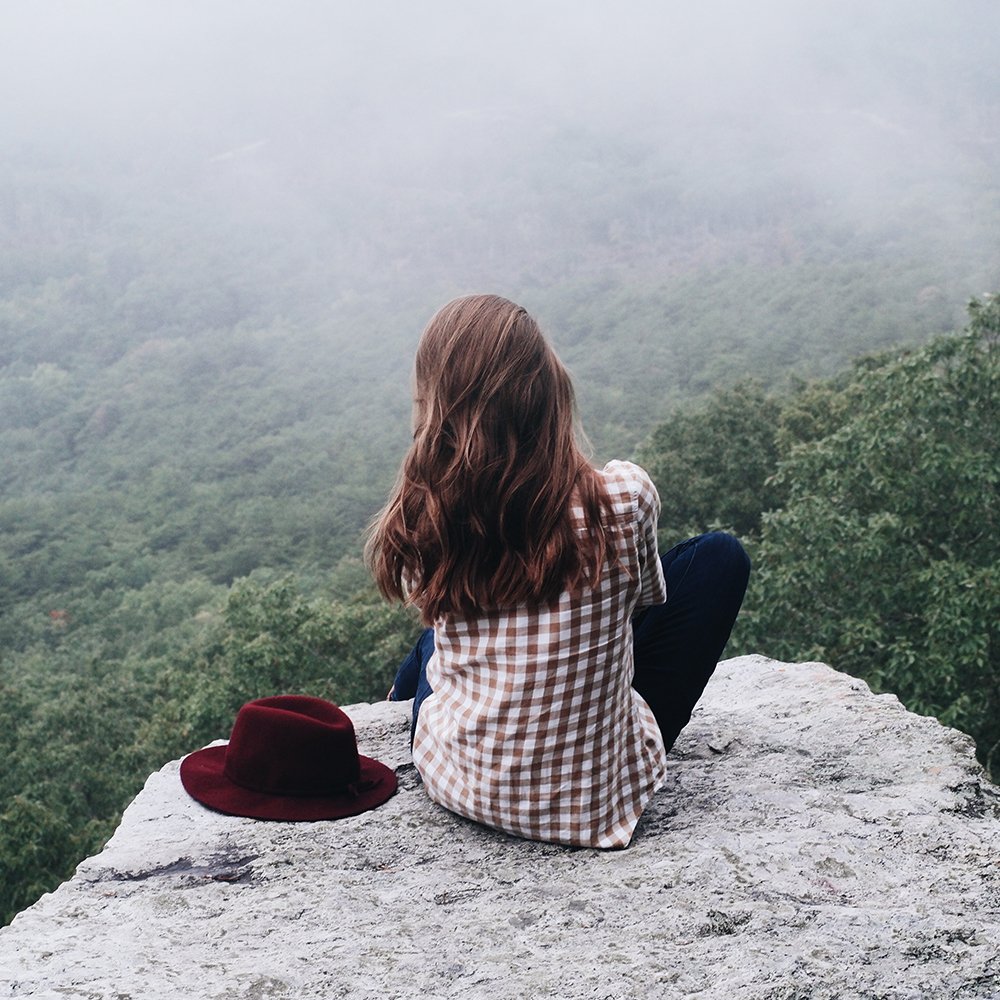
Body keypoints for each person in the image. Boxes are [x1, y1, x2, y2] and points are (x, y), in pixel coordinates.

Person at [366, 294, 749, 848]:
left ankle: (399, 694)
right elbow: (641, 604)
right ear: (548, 390)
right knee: (719, 558)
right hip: (595, 807)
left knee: (435, 635)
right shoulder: (625, 496)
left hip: (458, 782)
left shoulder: (430, 514)